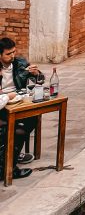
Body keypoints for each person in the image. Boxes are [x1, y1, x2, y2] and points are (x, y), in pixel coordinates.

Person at [0, 38, 41, 176]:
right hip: (2, 105)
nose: (12, 56)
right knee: (16, 126)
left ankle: (12, 155)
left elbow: (40, 80)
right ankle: (10, 166)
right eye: (8, 54)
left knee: (32, 118)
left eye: (14, 52)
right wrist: (7, 97)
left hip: (17, 101)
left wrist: (36, 74)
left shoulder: (20, 63)